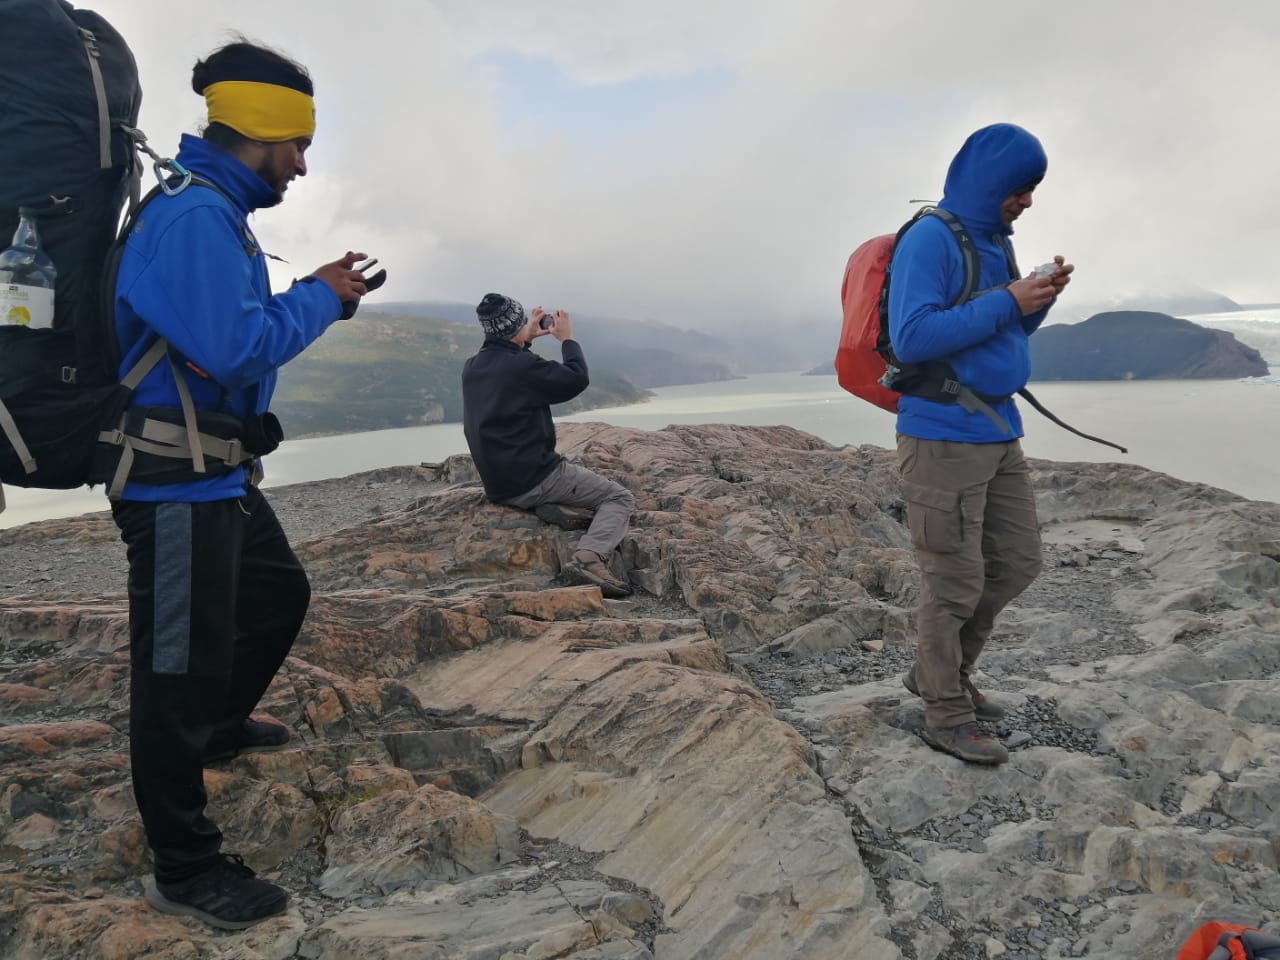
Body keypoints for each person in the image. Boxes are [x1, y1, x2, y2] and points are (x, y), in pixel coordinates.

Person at [109, 39, 378, 928]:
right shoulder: (193, 220)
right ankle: (184, 867)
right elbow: (232, 347)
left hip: (212, 476)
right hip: (172, 486)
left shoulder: (217, 212)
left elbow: (221, 340)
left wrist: (308, 291)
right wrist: (323, 300)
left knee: (275, 593)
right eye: (294, 145)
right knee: (174, 669)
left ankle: (217, 729)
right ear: (257, 132)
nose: (301, 165)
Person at [887, 123, 1073, 765]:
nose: (1026, 202)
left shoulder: (993, 242)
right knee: (953, 582)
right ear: (991, 182)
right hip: (941, 436)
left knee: (1017, 563)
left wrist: (1036, 299)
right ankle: (944, 709)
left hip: (997, 432)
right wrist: (1007, 299)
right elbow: (912, 338)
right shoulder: (931, 238)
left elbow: (999, 328)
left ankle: (939, 672)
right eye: (1020, 189)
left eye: (1031, 191)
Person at [461, 293, 635, 598]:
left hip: (498, 483)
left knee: (572, 476)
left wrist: (523, 338)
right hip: (534, 477)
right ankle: (588, 558)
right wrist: (567, 340)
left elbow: (508, 367)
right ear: (516, 325)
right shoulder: (522, 367)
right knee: (618, 497)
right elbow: (575, 379)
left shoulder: (473, 366)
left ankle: (551, 507)